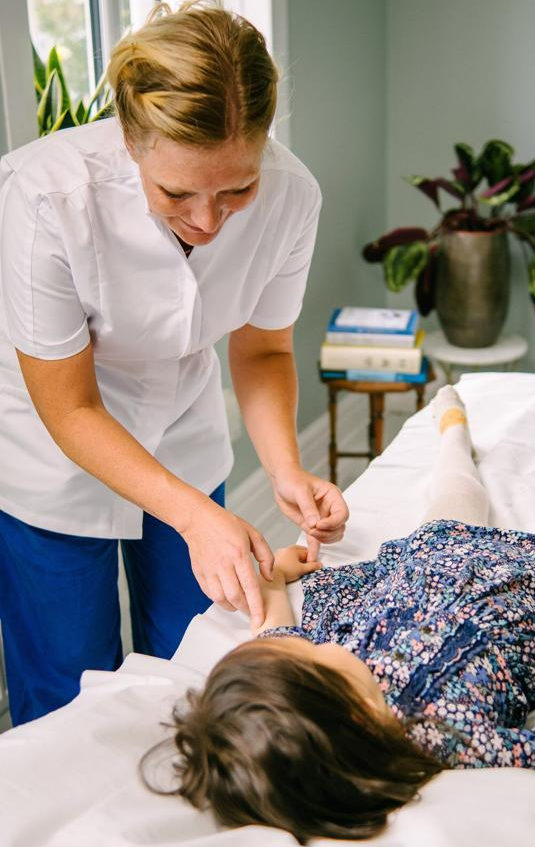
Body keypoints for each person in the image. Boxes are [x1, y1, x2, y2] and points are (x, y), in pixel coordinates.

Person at [0, 1, 347, 727]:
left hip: (184, 428)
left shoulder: (292, 196)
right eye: (177, 193)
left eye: (236, 190)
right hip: (52, 450)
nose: (209, 220)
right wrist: (197, 517)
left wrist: (284, 467)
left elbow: (263, 347)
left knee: (199, 658)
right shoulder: (40, 197)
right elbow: (71, 407)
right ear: (131, 140)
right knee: (69, 691)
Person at [142, 385, 535, 844]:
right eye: (312, 656)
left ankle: (452, 433)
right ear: (351, 712)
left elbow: (273, 622)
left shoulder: (304, 681)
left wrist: (279, 570)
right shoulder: (451, 740)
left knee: (455, 489)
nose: (305, 639)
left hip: (432, 565)